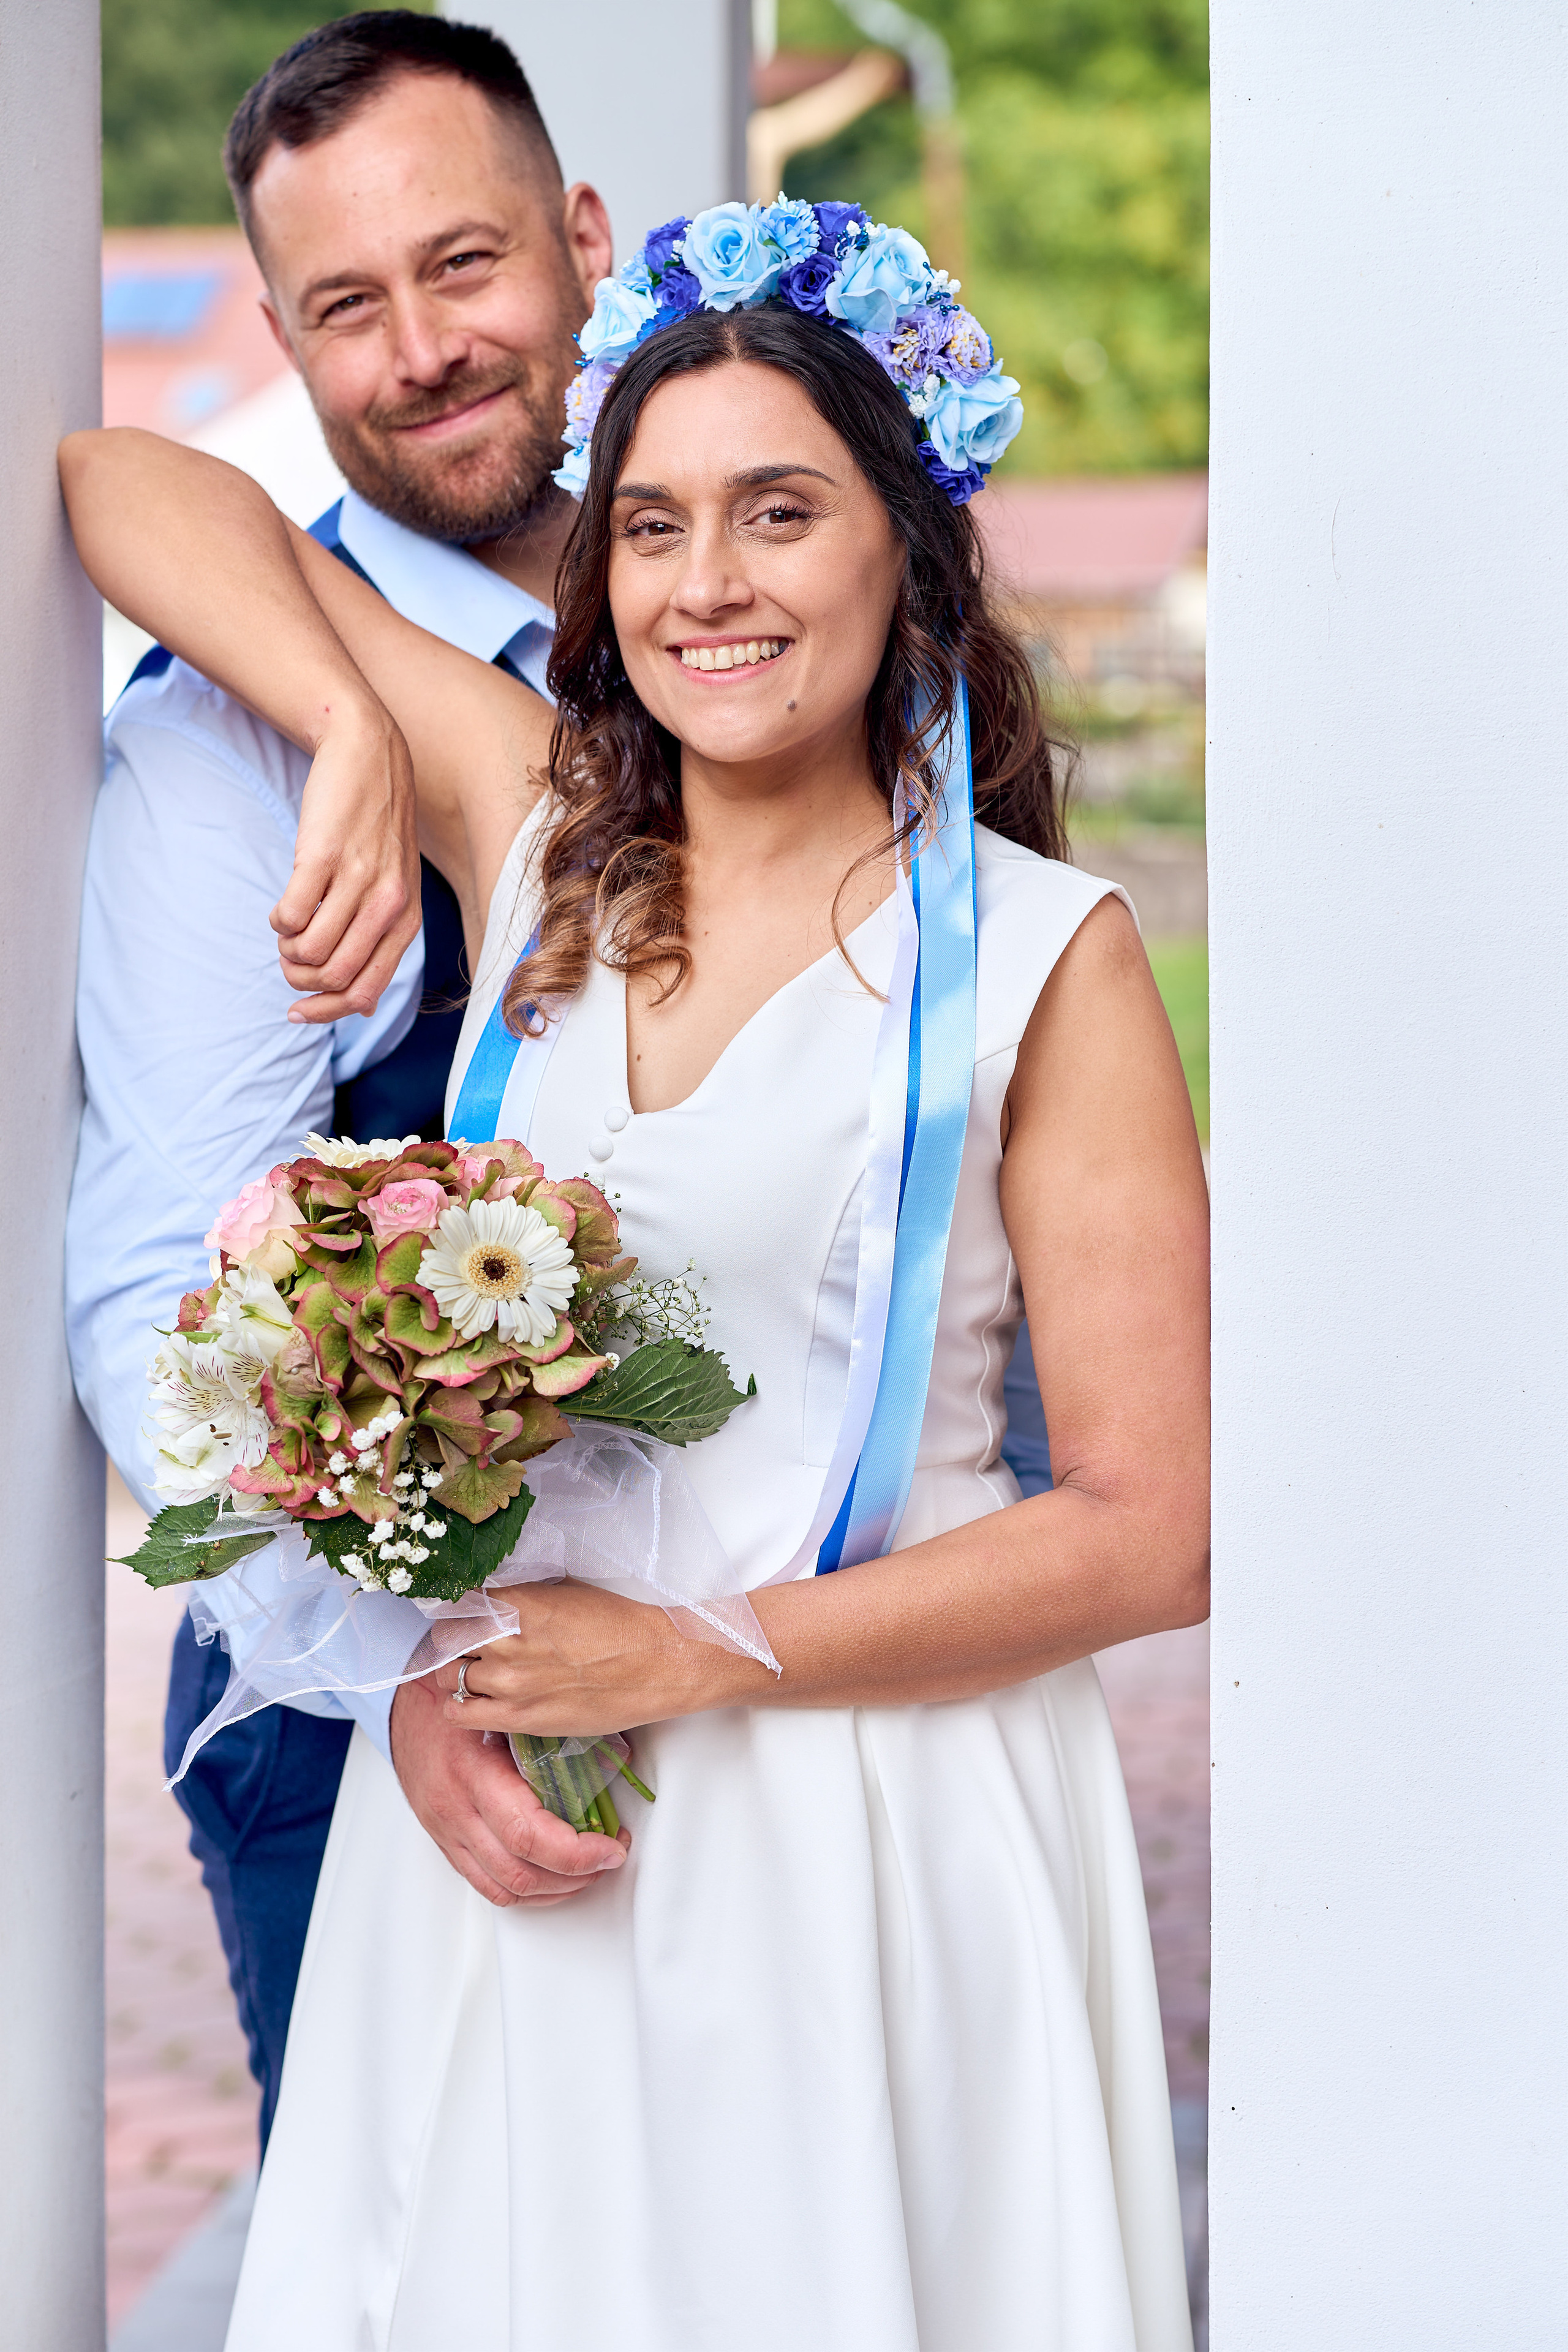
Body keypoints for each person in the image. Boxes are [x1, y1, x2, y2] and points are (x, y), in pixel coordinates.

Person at [63, 202, 1208, 2348]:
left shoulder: (1050, 964)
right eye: (657, 523)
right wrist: (348, 718)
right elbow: (117, 480)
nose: (711, 584)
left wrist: (702, 1654)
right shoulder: (531, 850)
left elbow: (1161, 1532)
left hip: (863, 1816)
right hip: (506, 1809)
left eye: (783, 511)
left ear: (915, 552)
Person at [67, 10, 627, 2150]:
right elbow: (151, 1292)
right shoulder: (221, 747)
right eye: (345, 308)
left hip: (740, 1629)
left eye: (465, 266)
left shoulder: (738, 612)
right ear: (291, 345)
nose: (422, 352)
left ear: (580, 243)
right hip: (358, 1702)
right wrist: (401, 1674)